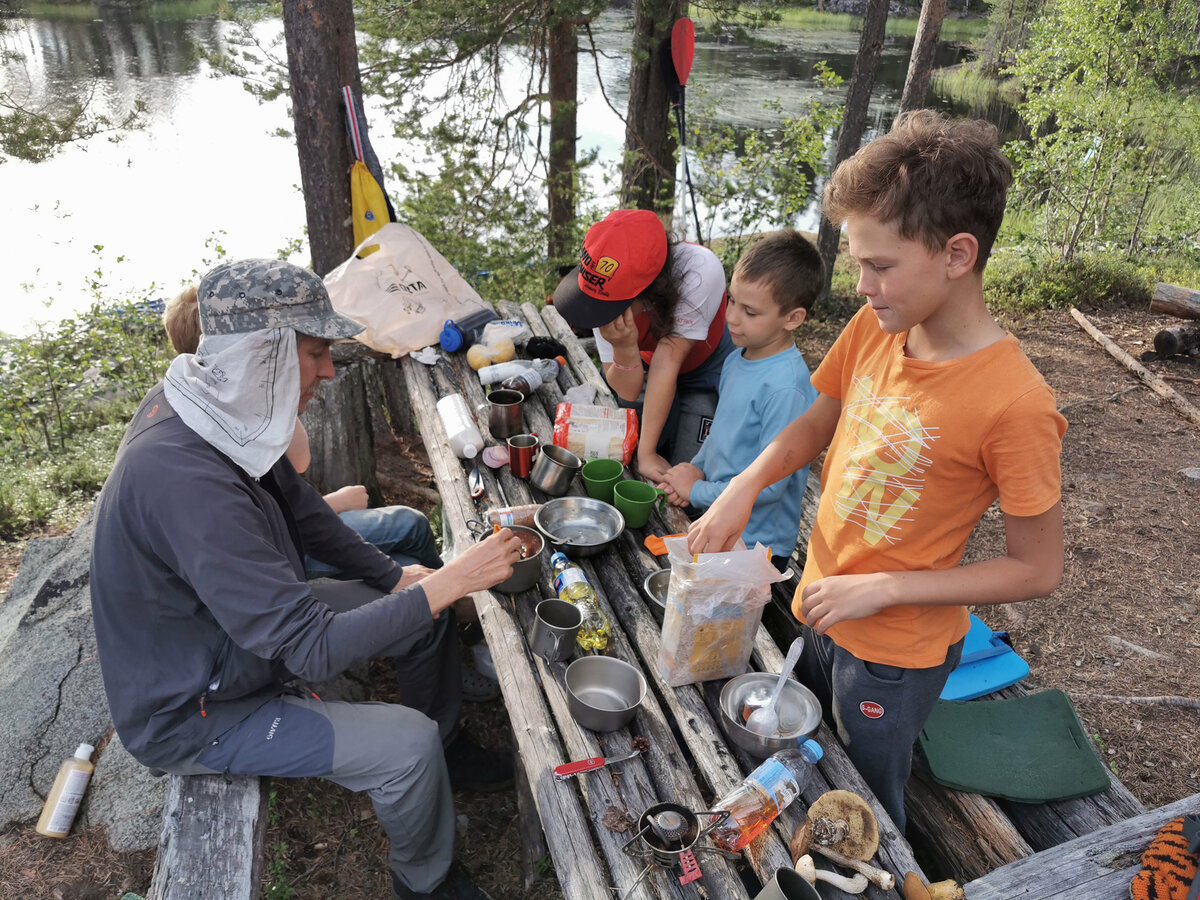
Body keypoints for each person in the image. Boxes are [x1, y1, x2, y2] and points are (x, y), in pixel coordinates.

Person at [686, 111, 1068, 831]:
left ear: (957, 255)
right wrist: (743, 485)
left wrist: (887, 587)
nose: (861, 285)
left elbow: (1036, 570)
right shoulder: (878, 326)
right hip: (823, 599)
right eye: (859, 263)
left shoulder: (1015, 405)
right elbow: (814, 425)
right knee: (809, 752)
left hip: (896, 654)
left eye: (881, 265)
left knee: (864, 797)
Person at [94, 258, 523, 900]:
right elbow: (309, 646)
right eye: (318, 352)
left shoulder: (216, 408)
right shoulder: (184, 480)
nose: (329, 370)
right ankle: (425, 881)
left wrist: (396, 579)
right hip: (197, 706)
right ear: (260, 356)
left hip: (240, 635)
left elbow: (304, 513)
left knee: (419, 615)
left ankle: (449, 743)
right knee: (405, 744)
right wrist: (448, 581)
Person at [658, 229, 821, 567]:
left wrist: (696, 491)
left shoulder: (785, 388)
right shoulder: (736, 357)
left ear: (793, 318)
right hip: (716, 518)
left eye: (750, 311)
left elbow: (769, 487)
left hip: (757, 546)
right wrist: (696, 469)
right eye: (731, 300)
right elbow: (721, 433)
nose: (731, 317)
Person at [552, 208, 733, 481]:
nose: (596, 312)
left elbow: (667, 362)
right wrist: (624, 348)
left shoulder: (699, 270)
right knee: (630, 450)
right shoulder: (602, 289)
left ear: (650, 294)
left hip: (703, 370)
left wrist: (647, 454)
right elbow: (628, 389)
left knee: (687, 472)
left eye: (607, 306)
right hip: (644, 366)